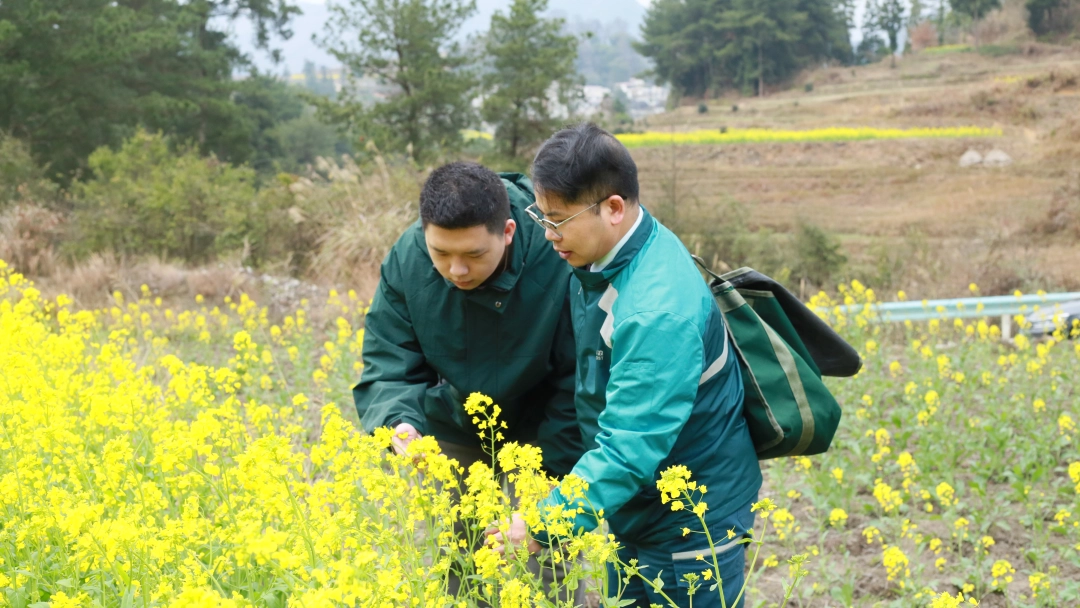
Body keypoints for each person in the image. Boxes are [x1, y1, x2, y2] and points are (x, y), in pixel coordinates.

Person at [489, 123, 763, 608]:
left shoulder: (655, 310)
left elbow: (631, 443)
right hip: (641, 504)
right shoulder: (614, 251)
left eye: (558, 221)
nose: (548, 236)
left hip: (689, 520)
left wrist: (543, 525)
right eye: (541, 217)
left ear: (614, 208)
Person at [353, 161, 586, 604]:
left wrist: (554, 474)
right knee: (461, 563)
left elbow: (577, 376)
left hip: (542, 429)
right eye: (441, 253)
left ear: (509, 232)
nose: (456, 270)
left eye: (474, 255)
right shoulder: (407, 258)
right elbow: (389, 358)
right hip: (456, 425)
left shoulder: (557, 254)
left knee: (544, 565)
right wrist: (400, 423)